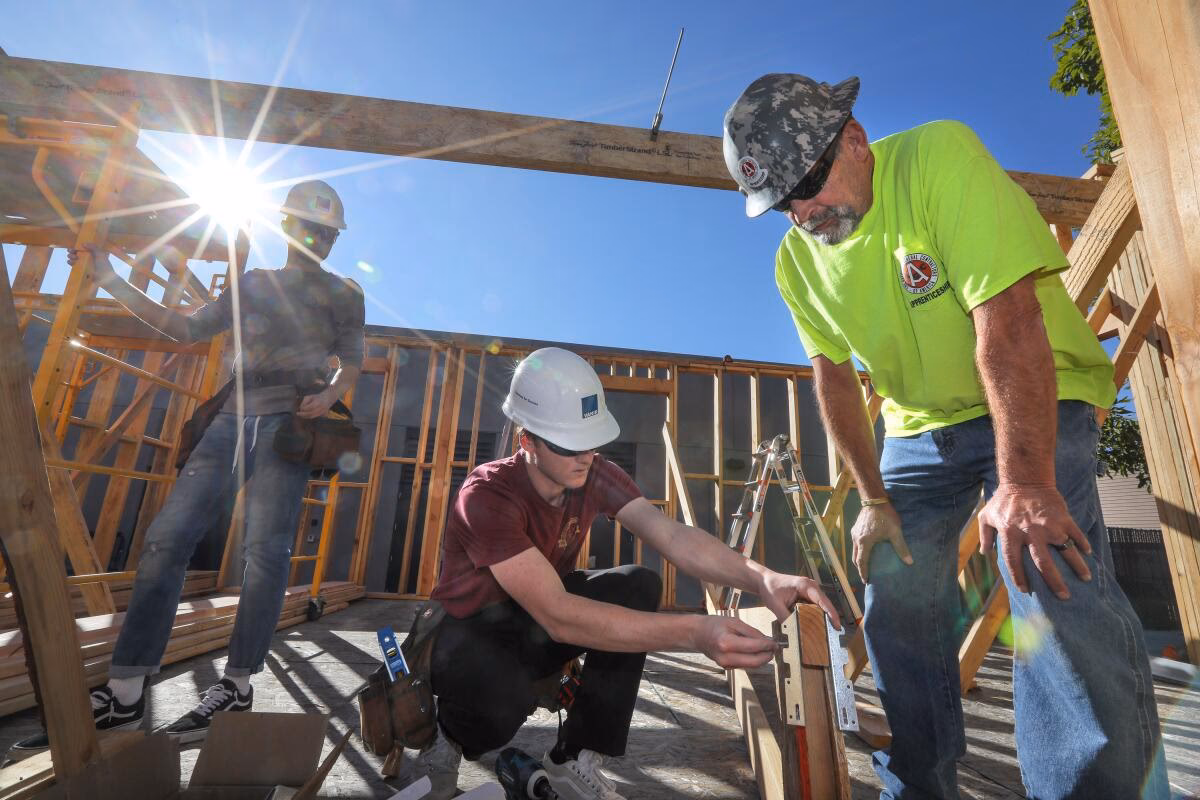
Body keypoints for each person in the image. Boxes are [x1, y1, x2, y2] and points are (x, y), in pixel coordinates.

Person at [722, 73, 1168, 799]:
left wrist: (1027, 484)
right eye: (782, 202)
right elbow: (835, 383)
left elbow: (1008, 317)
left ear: (855, 140)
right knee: (893, 586)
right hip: (921, 425)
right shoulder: (795, 264)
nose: (802, 212)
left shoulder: (938, 159)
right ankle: (916, 786)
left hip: (1032, 388)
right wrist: (874, 501)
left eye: (806, 183)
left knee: (1044, 572)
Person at [10, 180, 365, 757]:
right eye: (310, 228)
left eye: (328, 233)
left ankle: (237, 686)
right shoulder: (254, 284)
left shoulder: (344, 293)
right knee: (166, 540)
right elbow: (185, 327)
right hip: (231, 417)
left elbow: (351, 359)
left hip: (289, 427)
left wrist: (330, 394)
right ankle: (126, 692)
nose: (319, 239)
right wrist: (108, 278)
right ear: (287, 227)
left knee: (265, 553)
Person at [403, 346, 839, 800]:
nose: (585, 456)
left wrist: (762, 578)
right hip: (467, 636)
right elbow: (558, 615)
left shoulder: (591, 473)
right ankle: (446, 737)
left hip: (534, 617)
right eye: (569, 445)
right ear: (527, 440)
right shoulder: (487, 495)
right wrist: (695, 633)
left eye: (591, 442)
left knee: (637, 584)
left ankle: (573, 756)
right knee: (500, 708)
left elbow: (671, 535)